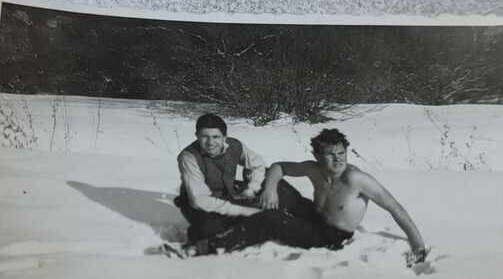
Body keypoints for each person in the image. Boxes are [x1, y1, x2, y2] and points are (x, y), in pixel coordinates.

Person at [178, 128, 429, 268]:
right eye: (330, 155)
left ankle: (209, 247)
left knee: (272, 220)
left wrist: (418, 246)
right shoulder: (314, 168)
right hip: (312, 214)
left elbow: (396, 208)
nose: (338, 159)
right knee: (265, 178)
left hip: (330, 236)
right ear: (318, 156)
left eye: (341, 153)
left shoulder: (356, 179)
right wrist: (270, 190)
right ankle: (232, 209)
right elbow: (277, 167)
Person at [173, 113, 269, 243]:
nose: (210, 142)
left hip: (228, 195)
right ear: (197, 136)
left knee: (272, 183)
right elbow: (199, 200)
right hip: (198, 203)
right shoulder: (188, 157)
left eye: (216, 137)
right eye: (204, 137)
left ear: (225, 137)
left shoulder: (235, 145)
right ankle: (198, 241)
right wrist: (243, 211)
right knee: (210, 228)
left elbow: (257, 164)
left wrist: (251, 189)